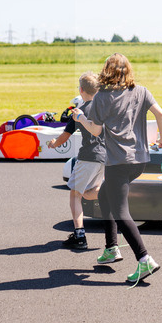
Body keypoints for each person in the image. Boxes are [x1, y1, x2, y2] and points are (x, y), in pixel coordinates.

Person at [74, 53, 162, 285]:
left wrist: (81, 118)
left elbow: (95, 131)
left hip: (118, 162)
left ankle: (144, 258)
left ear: (106, 71)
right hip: (140, 160)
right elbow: (160, 114)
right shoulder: (141, 91)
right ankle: (111, 247)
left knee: (121, 211)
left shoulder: (102, 98)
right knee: (104, 195)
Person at [47, 73, 105, 251]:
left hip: (88, 157)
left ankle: (79, 235)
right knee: (89, 193)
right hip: (104, 158)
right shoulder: (104, 109)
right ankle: (111, 193)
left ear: (81, 90)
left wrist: (53, 143)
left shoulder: (79, 111)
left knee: (75, 194)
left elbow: (65, 136)